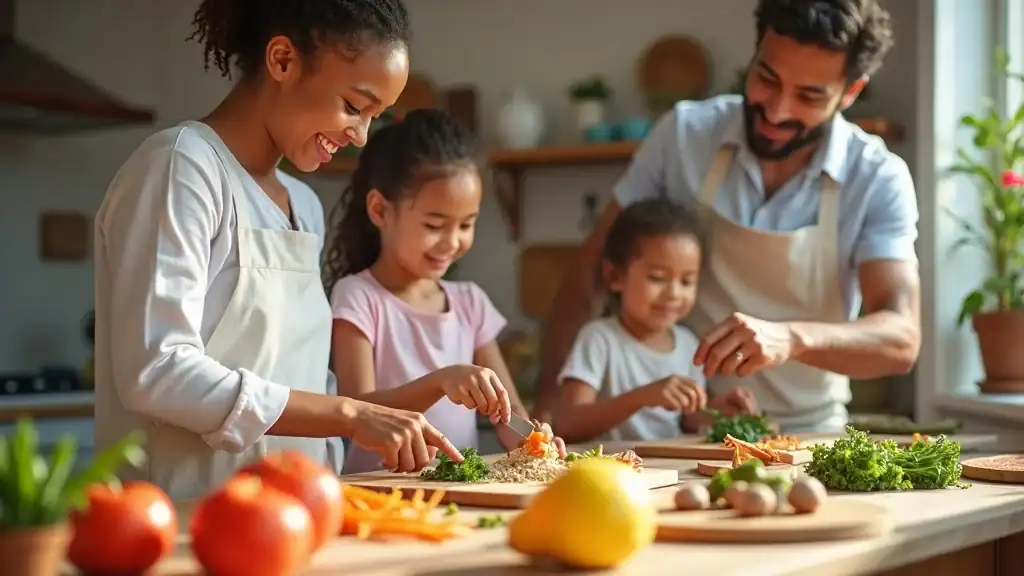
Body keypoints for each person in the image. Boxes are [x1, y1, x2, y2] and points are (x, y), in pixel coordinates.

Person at [93, 0, 464, 501]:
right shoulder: (182, 168)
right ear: (283, 60)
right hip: (181, 516)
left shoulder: (303, 205)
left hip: (294, 514)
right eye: (354, 107)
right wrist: (352, 415)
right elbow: (156, 369)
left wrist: (377, 419)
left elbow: (302, 383)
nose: (360, 136)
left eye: (374, 117)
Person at [536, 0, 921, 434]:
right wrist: (551, 405)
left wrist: (792, 339)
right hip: (692, 430)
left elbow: (901, 338)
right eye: (766, 79)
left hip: (812, 431)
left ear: (849, 93)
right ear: (753, 57)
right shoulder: (683, 136)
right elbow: (591, 271)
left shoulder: (876, 177)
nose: (776, 111)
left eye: (810, 95)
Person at [323, 109, 566, 474]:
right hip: (378, 488)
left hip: (457, 489)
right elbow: (357, 408)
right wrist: (439, 382)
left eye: (467, 224)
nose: (452, 242)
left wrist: (534, 439)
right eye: (435, 225)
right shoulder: (358, 296)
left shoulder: (469, 302)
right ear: (380, 210)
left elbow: (508, 416)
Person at [554, 199, 758, 444]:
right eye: (658, 278)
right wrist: (643, 397)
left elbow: (688, 419)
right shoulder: (599, 339)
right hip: (611, 473)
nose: (674, 294)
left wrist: (718, 412)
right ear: (615, 276)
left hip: (671, 473)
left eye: (686, 281)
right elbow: (567, 424)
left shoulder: (689, 344)